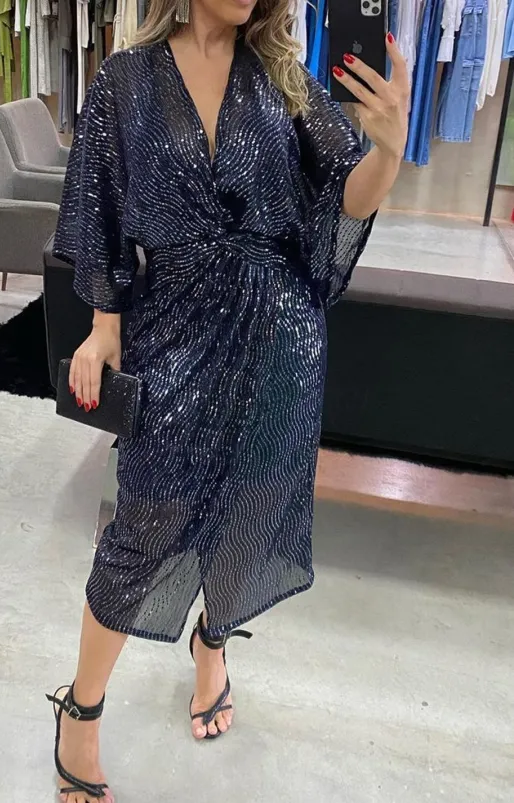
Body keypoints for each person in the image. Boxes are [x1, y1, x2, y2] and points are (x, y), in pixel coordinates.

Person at [50, 0, 410, 797]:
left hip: (281, 338)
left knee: (254, 507)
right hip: (173, 333)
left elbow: (346, 197)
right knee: (143, 526)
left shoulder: (285, 78)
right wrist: (104, 326)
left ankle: (211, 644)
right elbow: (99, 211)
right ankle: (80, 709)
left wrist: (388, 148)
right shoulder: (125, 81)